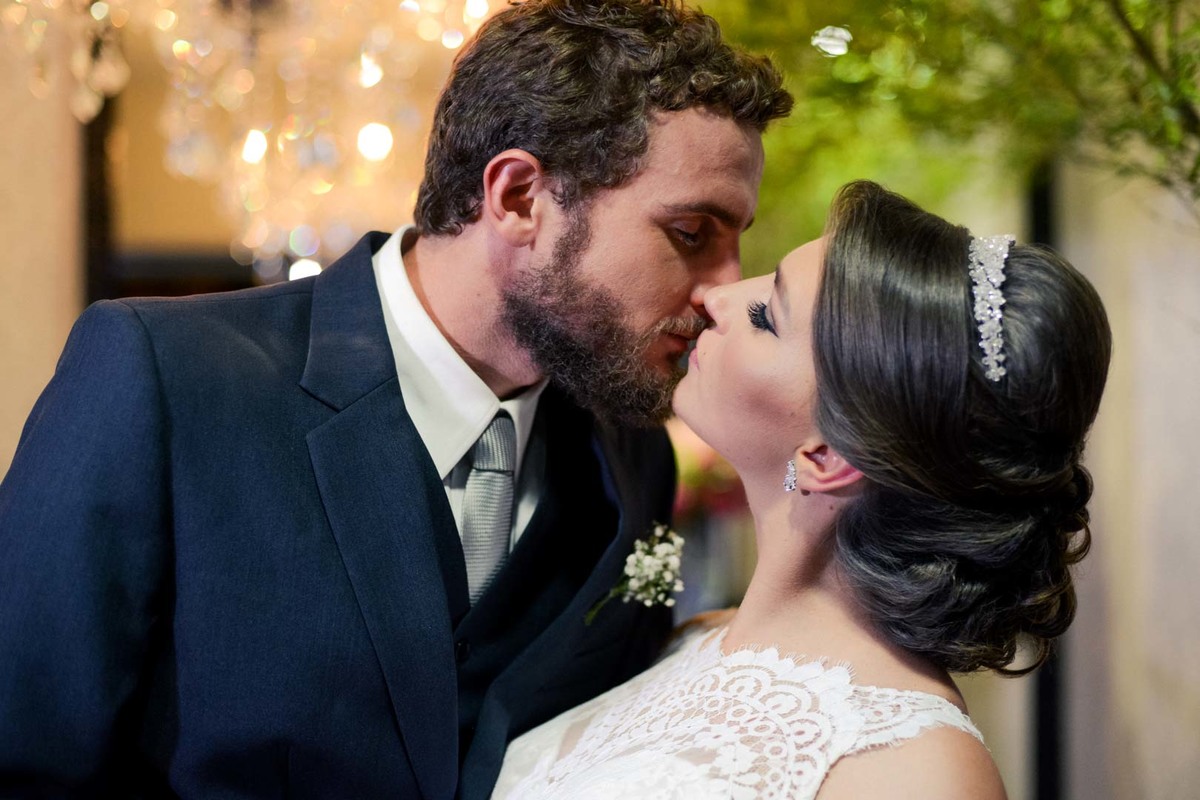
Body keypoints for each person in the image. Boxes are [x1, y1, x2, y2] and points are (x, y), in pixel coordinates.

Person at [0, 1, 792, 797]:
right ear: (517, 197)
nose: (726, 290)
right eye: (693, 233)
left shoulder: (631, 456)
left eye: (738, 243)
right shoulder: (164, 378)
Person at [492, 180, 1112, 799]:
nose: (719, 297)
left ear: (827, 457)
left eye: (766, 317)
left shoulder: (914, 772)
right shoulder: (693, 637)